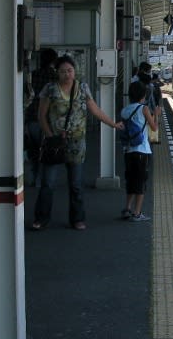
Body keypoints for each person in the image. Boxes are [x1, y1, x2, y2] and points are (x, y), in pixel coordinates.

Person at [31, 55, 121, 230]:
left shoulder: (82, 88)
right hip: (54, 143)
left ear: (75, 71)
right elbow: (41, 116)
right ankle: (41, 218)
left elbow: (95, 110)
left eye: (70, 70)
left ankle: (77, 219)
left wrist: (113, 124)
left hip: (77, 144)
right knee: (48, 183)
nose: (67, 74)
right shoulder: (50, 89)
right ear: (57, 72)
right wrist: (50, 136)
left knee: (76, 184)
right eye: (63, 71)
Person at [119, 79, 157, 222]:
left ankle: (127, 208)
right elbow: (154, 128)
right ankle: (137, 213)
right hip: (142, 150)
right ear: (143, 95)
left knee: (131, 180)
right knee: (140, 182)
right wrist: (157, 114)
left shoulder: (124, 110)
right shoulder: (144, 109)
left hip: (128, 151)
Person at [25, 47, 58, 186]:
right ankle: (44, 180)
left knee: (33, 150)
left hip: (32, 115)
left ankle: (34, 177)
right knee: (46, 151)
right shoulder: (55, 78)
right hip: (49, 120)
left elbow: (27, 95)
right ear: (54, 61)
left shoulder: (33, 75)